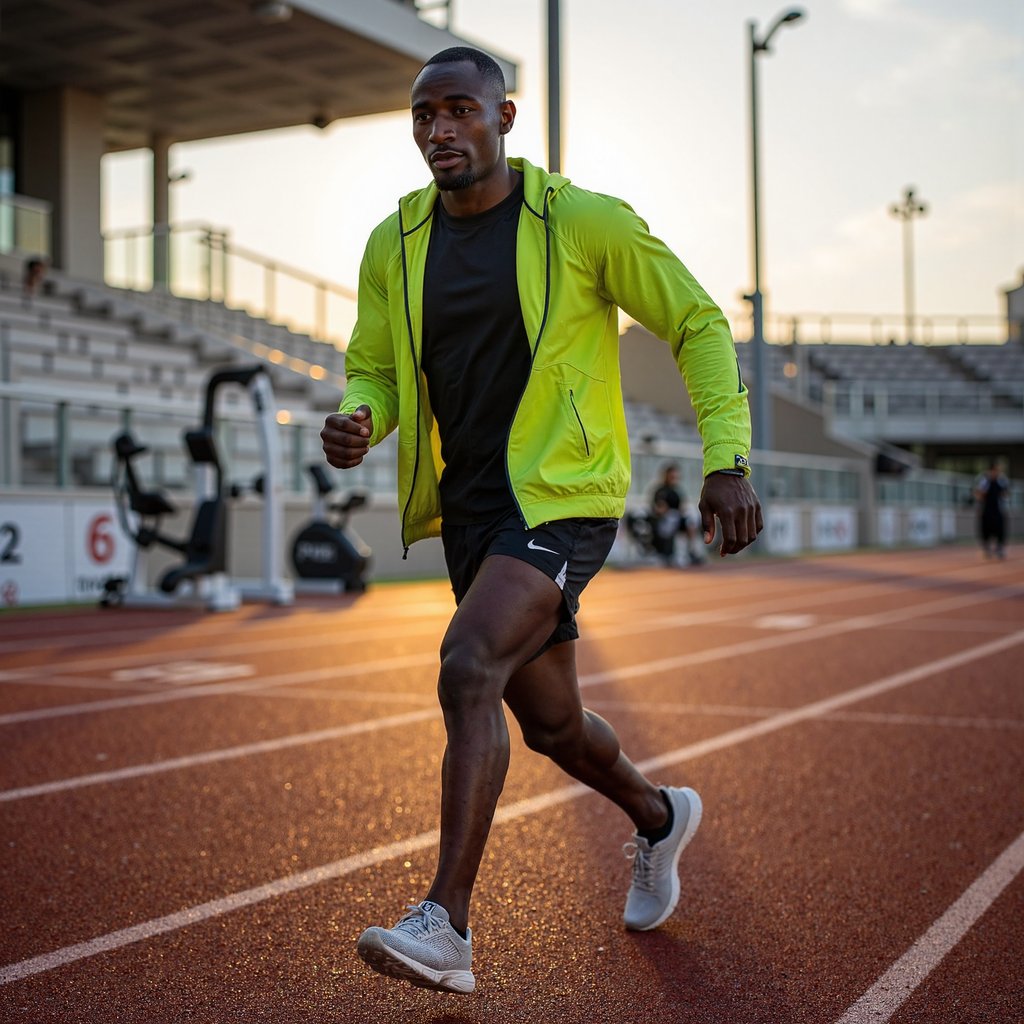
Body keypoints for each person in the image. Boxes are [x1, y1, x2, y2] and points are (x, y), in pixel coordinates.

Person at [321, 46, 763, 995]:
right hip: (475, 507)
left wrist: (726, 459)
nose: (441, 131)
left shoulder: (581, 220)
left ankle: (446, 923)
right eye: (424, 117)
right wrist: (365, 414)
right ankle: (657, 816)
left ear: (505, 117)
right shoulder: (392, 243)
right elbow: (378, 368)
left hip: (564, 497)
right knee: (552, 724)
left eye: (460, 112)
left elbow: (695, 321)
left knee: (467, 663)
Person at [649, 462, 704, 566]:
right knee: (673, 518)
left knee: (691, 518)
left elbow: (682, 508)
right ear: (666, 476)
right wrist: (664, 510)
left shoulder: (677, 491)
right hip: (664, 522)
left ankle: (692, 551)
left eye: (675, 476)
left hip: (677, 520)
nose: (674, 478)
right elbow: (658, 509)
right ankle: (668, 553)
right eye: (672, 476)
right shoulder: (660, 491)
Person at [973, 461, 1009, 558]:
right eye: (994, 470)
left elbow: (1006, 494)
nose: (996, 473)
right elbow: (978, 494)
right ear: (990, 470)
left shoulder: (1002, 480)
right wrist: (980, 501)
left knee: (1000, 528)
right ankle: (986, 548)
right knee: (985, 529)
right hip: (986, 509)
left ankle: (999, 548)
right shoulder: (984, 480)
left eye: (997, 471)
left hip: (998, 510)